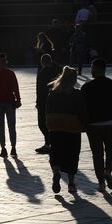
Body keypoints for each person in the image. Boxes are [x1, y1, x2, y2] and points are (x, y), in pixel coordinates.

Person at [80, 58, 112, 193]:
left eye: (92, 68)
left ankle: (101, 183)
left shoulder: (87, 87)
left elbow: (81, 106)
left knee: (97, 154)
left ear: (97, 69)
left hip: (92, 125)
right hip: (110, 123)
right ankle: (108, 171)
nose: (91, 71)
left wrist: (85, 123)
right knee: (111, 149)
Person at [46, 66, 87, 194]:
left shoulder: (53, 93)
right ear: (74, 79)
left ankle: (56, 172)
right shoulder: (76, 94)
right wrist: (85, 124)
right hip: (72, 128)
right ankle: (71, 183)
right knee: (72, 155)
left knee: (55, 153)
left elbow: (47, 109)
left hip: (55, 127)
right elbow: (82, 111)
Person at [0, 53, 21, 158]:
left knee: (11, 125)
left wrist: (18, 99)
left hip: (9, 102)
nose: (3, 63)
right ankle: (3, 147)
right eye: (1, 61)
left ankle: (13, 147)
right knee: (0, 127)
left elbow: (15, 87)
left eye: (4, 61)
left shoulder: (10, 73)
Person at [35, 54, 61, 154]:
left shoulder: (41, 73)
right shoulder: (56, 72)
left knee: (42, 123)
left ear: (42, 62)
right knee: (53, 123)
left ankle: (48, 143)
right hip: (55, 101)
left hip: (44, 102)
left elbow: (39, 89)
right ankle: (52, 143)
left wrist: (38, 102)